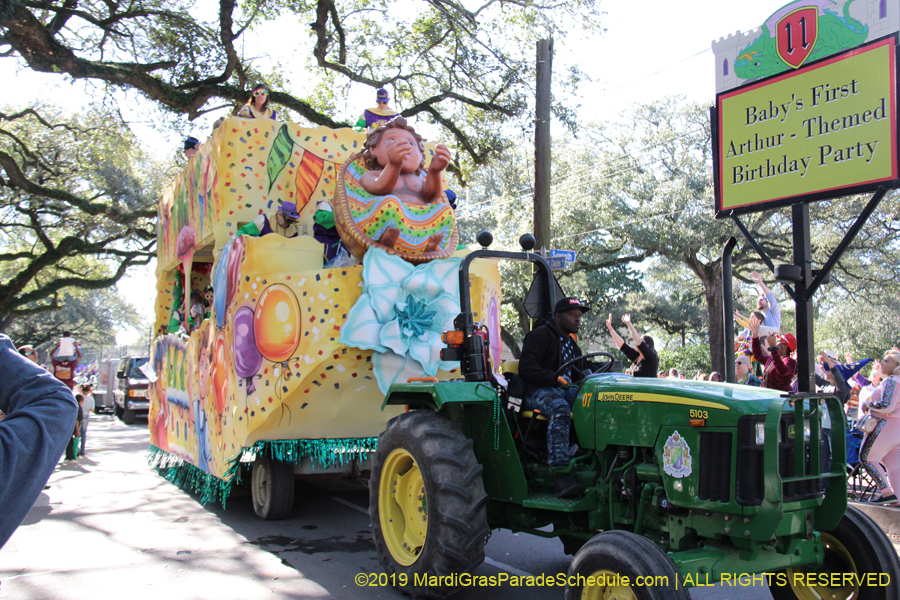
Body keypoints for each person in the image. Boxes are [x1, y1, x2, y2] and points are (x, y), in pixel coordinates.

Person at [517, 298, 606, 498]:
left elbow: (581, 371)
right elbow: (526, 368)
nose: (578, 320)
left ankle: (594, 462)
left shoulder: (572, 344)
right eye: (572, 315)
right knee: (560, 408)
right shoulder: (540, 335)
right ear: (558, 317)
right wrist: (554, 378)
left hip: (562, 390)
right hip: (536, 391)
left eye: (579, 316)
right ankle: (560, 473)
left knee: (598, 404)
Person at [0, 334, 78, 547]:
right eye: (30, 353)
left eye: (35, 353)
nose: (34, 355)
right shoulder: (53, 366)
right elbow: (54, 400)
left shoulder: (69, 364)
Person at [359, 117, 451, 251]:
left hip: (421, 223)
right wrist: (394, 164)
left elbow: (432, 196)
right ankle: (386, 238)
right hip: (393, 221)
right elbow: (379, 187)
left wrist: (435, 171)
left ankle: (430, 244)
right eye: (390, 140)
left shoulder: (420, 179)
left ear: (420, 155)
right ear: (373, 150)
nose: (403, 145)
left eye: (411, 143)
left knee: (445, 209)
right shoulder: (372, 175)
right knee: (390, 202)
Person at [859, 350, 900, 505]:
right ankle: (897, 497)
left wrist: (867, 403)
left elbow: (886, 406)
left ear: (896, 364)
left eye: (886, 360)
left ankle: (886, 492)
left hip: (886, 426)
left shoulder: (892, 381)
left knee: (866, 457)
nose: (882, 363)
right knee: (893, 464)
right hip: (896, 429)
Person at [748, 314, 796, 392]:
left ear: (784, 346)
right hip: (769, 397)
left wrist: (774, 348)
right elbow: (758, 355)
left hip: (781, 400)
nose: (775, 341)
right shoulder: (771, 358)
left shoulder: (790, 361)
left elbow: (782, 370)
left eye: (778, 341)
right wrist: (755, 335)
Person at [605, 313, 658, 378]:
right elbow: (622, 345)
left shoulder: (651, 357)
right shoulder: (637, 357)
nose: (636, 342)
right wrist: (610, 328)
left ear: (647, 346)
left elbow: (638, 341)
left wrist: (629, 324)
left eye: (642, 341)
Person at [236, 201, 302, 238]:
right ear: (279, 214)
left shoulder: (293, 230)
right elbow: (243, 231)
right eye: (287, 220)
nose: (288, 224)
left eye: (291, 221)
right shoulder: (263, 220)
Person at [78, 383, 95, 457]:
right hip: (85, 415)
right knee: (83, 433)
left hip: (78, 415)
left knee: (77, 432)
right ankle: (82, 450)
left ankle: (76, 448)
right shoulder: (91, 399)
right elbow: (92, 409)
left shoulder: (79, 397)